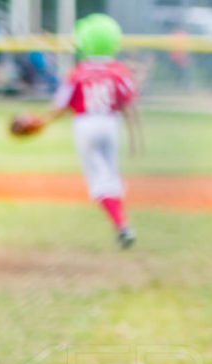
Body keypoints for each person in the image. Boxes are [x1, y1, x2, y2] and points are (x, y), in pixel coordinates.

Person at [36, 13, 142, 249]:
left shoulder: (77, 72)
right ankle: (121, 222)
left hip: (85, 124)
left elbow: (60, 105)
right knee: (111, 175)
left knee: (98, 180)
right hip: (110, 122)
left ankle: (122, 226)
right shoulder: (118, 70)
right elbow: (128, 104)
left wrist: (41, 121)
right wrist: (135, 136)